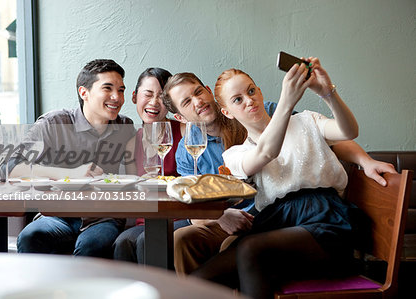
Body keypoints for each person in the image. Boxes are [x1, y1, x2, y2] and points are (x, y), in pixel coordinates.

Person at [161, 71, 396, 274]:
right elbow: (191, 200)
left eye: (198, 92)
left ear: (209, 91)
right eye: (187, 101)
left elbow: (316, 137)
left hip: (270, 214)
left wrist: (365, 160)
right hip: (245, 216)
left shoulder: (268, 111)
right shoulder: (198, 149)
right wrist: (220, 215)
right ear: (180, 117)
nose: (198, 101)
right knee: (182, 239)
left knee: (239, 248)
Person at [190, 59, 361, 298]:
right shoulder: (235, 155)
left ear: (260, 92)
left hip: (325, 220)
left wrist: (328, 93)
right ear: (227, 112)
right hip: (275, 225)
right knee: (197, 282)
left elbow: (349, 131)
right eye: (238, 99)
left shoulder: (307, 121)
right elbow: (266, 152)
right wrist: (287, 101)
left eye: (251, 91)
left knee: (251, 249)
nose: (249, 100)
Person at [4, 59, 135, 258]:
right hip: (56, 215)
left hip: (103, 218)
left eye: (121, 90)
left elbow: (136, 175)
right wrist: (69, 174)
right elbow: (8, 167)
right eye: (107, 89)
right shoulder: (54, 123)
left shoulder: (125, 126)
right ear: (84, 93)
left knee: (93, 245)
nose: (117, 97)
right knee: (31, 237)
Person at [113, 67, 189, 264]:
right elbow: (134, 193)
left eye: (163, 98)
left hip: (179, 218)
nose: (154, 102)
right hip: (146, 219)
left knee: (147, 241)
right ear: (134, 97)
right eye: (148, 94)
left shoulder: (183, 130)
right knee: (123, 242)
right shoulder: (132, 142)